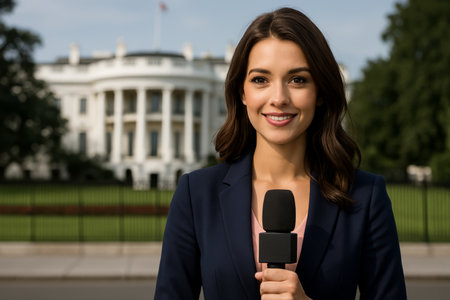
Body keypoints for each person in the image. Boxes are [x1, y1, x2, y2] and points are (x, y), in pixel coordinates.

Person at [155, 7, 406, 300]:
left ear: (321, 92)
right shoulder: (196, 195)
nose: (278, 98)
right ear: (242, 92)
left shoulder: (366, 196)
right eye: (261, 80)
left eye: (297, 79)